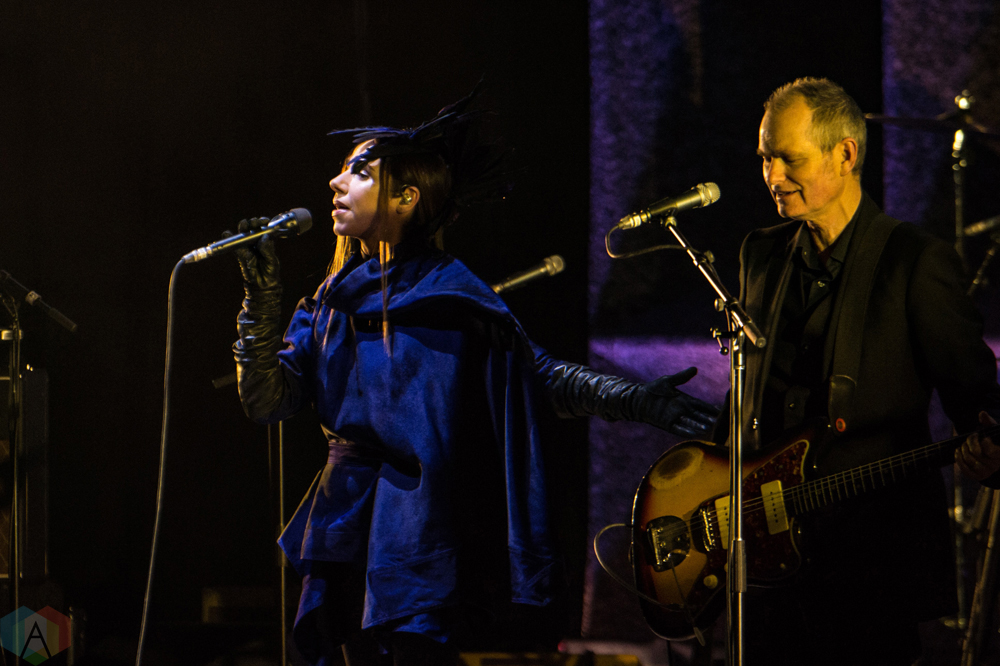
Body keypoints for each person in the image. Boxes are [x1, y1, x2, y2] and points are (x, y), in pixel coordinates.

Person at [231, 90, 719, 666]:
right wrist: (260, 301)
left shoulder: (452, 296)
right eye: (344, 170)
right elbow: (267, 401)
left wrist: (636, 399)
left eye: (359, 172)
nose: (336, 183)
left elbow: (539, 377)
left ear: (406, 198)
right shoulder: (330, 300)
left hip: (415, 530)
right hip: (342, 524)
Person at [711, 76, 1000, 665]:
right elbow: (746, 402)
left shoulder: (916, 263)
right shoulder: (760, 254)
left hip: (869, 571)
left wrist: (990, 451)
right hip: (767, 574)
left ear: (844, 154)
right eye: (764, 158)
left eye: (789, 159)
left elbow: (977, 399)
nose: (772, 176)